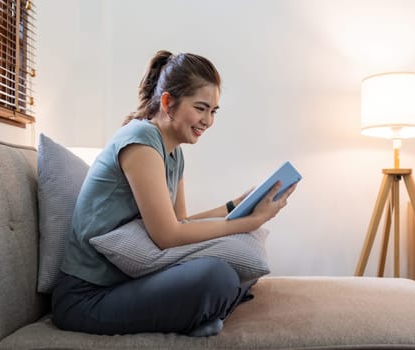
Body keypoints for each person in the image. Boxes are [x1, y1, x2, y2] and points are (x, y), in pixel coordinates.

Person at [52, 50, 297, 337]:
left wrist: (235, 206)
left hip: (126, 283)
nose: (208, 120)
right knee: (217, 278)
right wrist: (250, 222)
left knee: (242, 264)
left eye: (213, 111)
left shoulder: (174, 153)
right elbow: (167, 236)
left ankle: (202, 311)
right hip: (87, 297)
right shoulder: (141, 142)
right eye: (201, 108)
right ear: (168, 102)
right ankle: (203, 311)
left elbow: (180, 221)